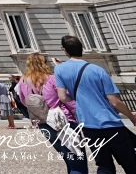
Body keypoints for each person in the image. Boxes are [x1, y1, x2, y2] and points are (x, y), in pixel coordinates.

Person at [56, 34, 136, 173]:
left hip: (87, 124)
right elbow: (114, 101)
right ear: (82, 48)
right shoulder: (98, 70)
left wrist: (80, 101)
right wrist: (131, 116)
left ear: (65, 51)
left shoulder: (59, 69)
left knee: (104, 165)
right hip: (110, 123)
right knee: (130, 162)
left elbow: (62, 97)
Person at [17, 51, 87, 174]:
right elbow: (66, 98)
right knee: (77, 158)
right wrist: (80, 115)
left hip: (43, 122)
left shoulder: (22, 82)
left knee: (67, 157)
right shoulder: (52, 79)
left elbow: (24, 101)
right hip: (62, 120)